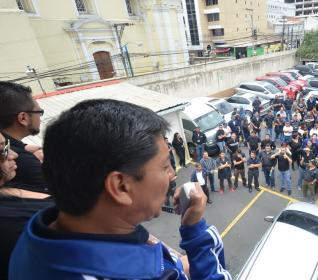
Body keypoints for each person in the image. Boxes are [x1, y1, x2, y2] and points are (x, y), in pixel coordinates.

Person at [9, 100, 231, 280]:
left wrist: (175, 266)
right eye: (164, 166)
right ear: (121, 186)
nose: (172, 175)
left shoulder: (40, 234)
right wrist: (195, 233)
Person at [0, 132, 53, 279]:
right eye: (3, 151)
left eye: (8, 145)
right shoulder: (10, 227)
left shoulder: (8, 184)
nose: (14, 155)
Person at [0, 81, 47, 193]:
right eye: (39, 112)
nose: (12, 155)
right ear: (23, 118)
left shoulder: (10, 146)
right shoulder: (26, 163)